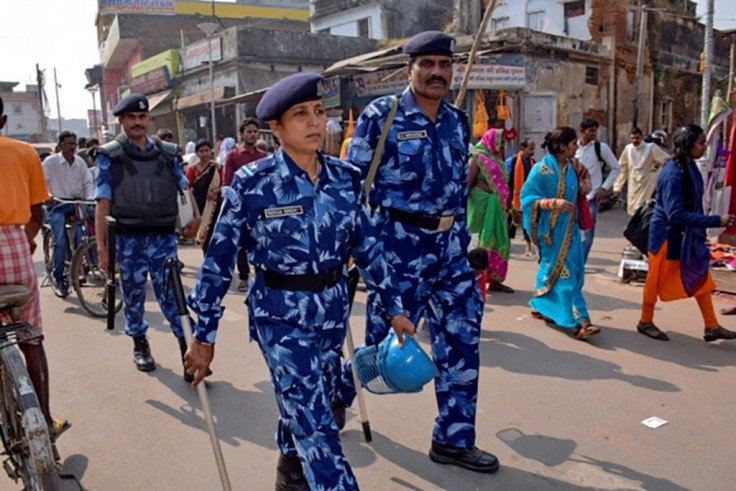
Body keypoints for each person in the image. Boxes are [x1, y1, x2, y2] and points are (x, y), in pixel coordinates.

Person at [185, 72, 413, 490]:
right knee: (317, 424)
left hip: (331, 312)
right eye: (300, 114)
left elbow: (369, 249)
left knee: (312, 402)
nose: (314, 122)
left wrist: (395, 307)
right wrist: (203, 336)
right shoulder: (253, 186)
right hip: (280, 318)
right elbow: (217, 265)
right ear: (276, 128)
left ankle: (289, 473)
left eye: (319, 112)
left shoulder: (345, 179)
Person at [340, 31, 499, 473]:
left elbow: (455, 187)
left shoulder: (456, 120)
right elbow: (354, 190)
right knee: (380, 346)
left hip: (450, 251)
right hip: (398, 251)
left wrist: (467, 243)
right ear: (409, 69)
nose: (437, 73)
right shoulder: (382, 115)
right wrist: (365, 251)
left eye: (444, 65)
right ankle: (338, 394)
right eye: (426, 64)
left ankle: (453, 439)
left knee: (462, 342)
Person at [94, 93, 200, 379]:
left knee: (174, 297)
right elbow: (102, 204)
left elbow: (183, 187)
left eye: (142, 117)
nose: (138, 122)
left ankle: (187, 352)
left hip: (163, 238)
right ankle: (140, 343)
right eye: (132, 118)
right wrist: (103, 249)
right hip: (128, 240)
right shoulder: (109, 156)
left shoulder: (167, 152)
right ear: (122, 120)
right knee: (134, 295)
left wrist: (195, 216)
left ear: (149, 119)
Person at [0, 96, 69, 438]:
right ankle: (45, 418)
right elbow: (37, 214)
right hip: (14, 249)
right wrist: (24, 243)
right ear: (2, 121)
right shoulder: (23, 152)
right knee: (31, 336)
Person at [636, 124, 736, 342]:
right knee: (653, 281)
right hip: (666, 237)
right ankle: (645, 321)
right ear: (688, 145)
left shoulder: (689, 166)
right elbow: (676, 215)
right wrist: (715, 220)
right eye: (701, 143)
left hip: (686, 237)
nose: (704, 147)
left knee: (700, 275)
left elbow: (694, 205)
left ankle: (711, 326)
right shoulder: (673, 174)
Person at [521, 127, 600, 340]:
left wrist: (583, 190)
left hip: (570, 231)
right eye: (574, 144)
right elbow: (526, 198)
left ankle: (544, 305)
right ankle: (580, 322)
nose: (576, 148)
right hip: (551, 232)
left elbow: (580, 188)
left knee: (572, 271)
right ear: (563, 147)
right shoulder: (542, 170)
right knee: (566, 276)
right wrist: (551, 203)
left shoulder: (572, 167)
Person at [42, 130, 95, 297]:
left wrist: (91, 198)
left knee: (92, 230)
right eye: (69, 144)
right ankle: (60, 278)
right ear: (60, 145)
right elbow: (44, 184)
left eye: (74, 144)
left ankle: (91, 263)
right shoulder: (50, 163)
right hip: (57, 204)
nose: (72, 147)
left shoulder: (80, 162)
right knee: (59, 242)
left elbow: (88, 183)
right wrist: (48, 197)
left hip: (76, 203)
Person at [223, 118, 267, 292]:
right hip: (241, 206)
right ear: (241, 134)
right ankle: (243, 276)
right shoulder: (233, 156)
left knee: (261, 241)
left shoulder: (263, 156)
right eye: (249, 131)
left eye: (255, 131)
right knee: (242, 244)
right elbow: (227, 183)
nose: (252, 134)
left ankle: (260, 275)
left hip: (261, 207)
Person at [468, 128, 514, 293]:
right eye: (499, 141)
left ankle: (494, 280)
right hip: (481, 208)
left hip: (498, 209)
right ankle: (473, 281)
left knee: (501, 241)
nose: (501, 145)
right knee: (478, 244)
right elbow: (467, 185)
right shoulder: (477, 158)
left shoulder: (498, 160)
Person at [575, 118, 620, 263]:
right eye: (591, 131)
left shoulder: (601, 148)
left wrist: (605, 187)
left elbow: (616, 168)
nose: (594, 134)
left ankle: (581, 262)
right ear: (582, 131)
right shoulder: (573, 148)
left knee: (587, 231)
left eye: (595, 130)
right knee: (573, 231)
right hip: (573, 196)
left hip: (591, 196)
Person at [613, 127, 670, 216]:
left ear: (642, 137)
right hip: (633, 183)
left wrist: (656, 169)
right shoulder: (628, 149)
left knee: (643, 208)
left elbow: (666, 160)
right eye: (632, 138)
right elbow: (623, 169)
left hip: (648, 182)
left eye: (637, 138)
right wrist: (617, 186)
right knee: (633, 209)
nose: (635, 141)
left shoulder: (651, 148)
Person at [185, 139, 222, 254]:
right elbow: (187, 187)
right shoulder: (192, 169)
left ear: (211, 152)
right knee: (203, 235)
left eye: (207, 150)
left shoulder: (217, 167)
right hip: (199, 205)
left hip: (215, 205)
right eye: (201, 151)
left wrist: (216, 191)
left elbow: (225, 184)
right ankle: (206, 258)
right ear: (197, 153)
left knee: (214, 233)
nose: (204, 153)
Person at [506, 138, 536, 257]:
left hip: (527, 197)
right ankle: (507, 245)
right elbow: (505, 177)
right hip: (513, 196)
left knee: (527, 222)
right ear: (522, 149)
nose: (532, 152)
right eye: (530, 149)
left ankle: (528, 248)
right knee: (510, 221)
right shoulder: (512, 161)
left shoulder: (533, 162)